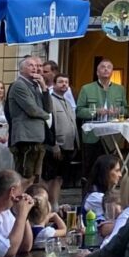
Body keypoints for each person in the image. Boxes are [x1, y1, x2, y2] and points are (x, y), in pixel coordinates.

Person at [5, 57, 49, 186]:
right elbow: (32, 110)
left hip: (37, 137)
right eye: (31, 65)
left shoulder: (35, 86)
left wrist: (44, 88)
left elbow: (48, 107)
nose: (35, 68)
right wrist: (48, 116)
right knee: (25, 175)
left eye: (36, 66)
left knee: (34, 178)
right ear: (21, 69)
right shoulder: (19, 85)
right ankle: (17, 204)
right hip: (26, 137)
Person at [44, 66, 80, 207]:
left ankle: (55, 203)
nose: (64, 84)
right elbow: (50, 125)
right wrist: (54, 145)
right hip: (56, 146)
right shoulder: (50, 101)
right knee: (50, 177)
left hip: (69, 145)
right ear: (54, 84)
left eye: (66, 82)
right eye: (61, 82)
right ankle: (46, 203)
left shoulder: (68, 102)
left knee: (59, 178)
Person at [78, 57, 128, 124]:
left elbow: (127, 110)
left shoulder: (120, 89)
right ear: (97, 72)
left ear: (111, 72)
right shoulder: (86, 88)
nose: (106, 69)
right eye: (103, 67)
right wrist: (96, 111)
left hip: (114, 130)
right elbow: (79, 111)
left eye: (109, 67)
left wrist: (118, 111)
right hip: (93, 131)